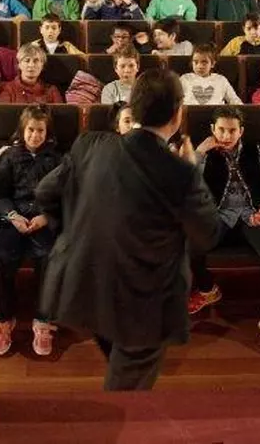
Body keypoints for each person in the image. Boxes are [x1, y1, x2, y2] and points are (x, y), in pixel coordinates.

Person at [36, 68, 223, 390]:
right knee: (127, 393)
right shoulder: (180, 172)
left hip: (83, 281)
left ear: (133, 108)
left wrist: (77, 232)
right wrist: (192, 169)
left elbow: (45, 193)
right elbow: (207, 235)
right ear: (178, 114)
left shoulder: (89, 145)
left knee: (118, 356)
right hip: (142, 302)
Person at [188, 107, 260, 360]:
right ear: (212, 130)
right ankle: (208, 289)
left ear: (241, 131)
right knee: (190, 244)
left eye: (232, 130)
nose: (226, 135)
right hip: (218, 214)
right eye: (221, 129)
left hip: (249, 213)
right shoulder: (205, 153)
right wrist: (199, 153)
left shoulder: (254, 151)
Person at [0, 106, 63, 357]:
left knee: (48, 256)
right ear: (22, 130)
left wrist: (46, 217)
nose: (35, 135)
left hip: (43, 218)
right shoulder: (10, 157)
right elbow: (1, 195)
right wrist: (13, 216)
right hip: (15, 217)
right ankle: (4, 319)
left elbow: (62, 196)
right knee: (1, 255)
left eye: (40, 130)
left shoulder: (57, 160)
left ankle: (42, 320)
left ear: (47, 132)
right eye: (30, 130)